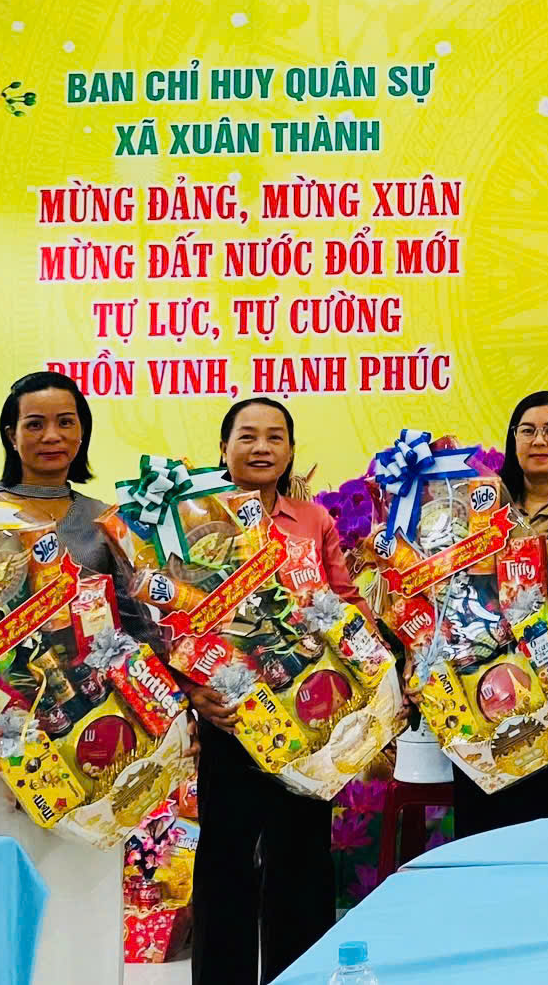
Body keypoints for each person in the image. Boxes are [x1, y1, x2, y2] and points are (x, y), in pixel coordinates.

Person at [0, 370, 133, 985]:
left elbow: (134, 621)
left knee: (89, 873)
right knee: (11, 880)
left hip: (93, 723)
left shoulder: (105, 520)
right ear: (11, 433)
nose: (52, 436)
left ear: (82, 433)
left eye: (66, 422)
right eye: (35, 423)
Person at [183, 397, 371, 985]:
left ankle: (300, 975)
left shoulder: (313, 521)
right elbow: (172, 620)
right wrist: (192, 691)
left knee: (302, 856)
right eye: (247, 436)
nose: (261, 447)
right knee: (226, 860)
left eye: (275, 437)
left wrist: (372, 671)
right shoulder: (194, 523)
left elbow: (345, 599)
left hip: (309, 715)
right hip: (231, 714)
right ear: (223, 448)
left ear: (290, 451)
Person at [447, 390, 548, 835]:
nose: (539, 440)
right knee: (483, 828)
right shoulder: (483, 507)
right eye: (527, 430)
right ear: (513, 440)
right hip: (481, 686)